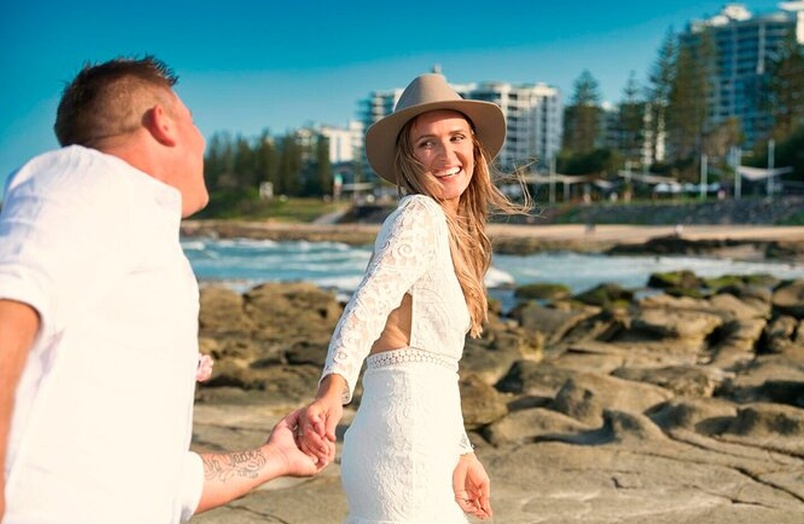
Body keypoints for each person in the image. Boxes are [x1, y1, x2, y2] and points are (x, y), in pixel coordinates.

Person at [0, 56, 327, 524]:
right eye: (194, 123)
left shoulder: (143, 251)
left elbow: (163, 482)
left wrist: (276, 457)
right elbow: (7, 305)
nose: (202, 143)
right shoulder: (92, 177)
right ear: (164, 123)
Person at [296, 73, 528, 522]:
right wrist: (331, 393)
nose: (445, 155)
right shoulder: (418, 215)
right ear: (408, 158)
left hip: (430, 437)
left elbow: (440, 368)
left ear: (475, 147)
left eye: (456, 137)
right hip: (401, 441)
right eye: (427, 143)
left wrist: (462, 451)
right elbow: (366, 305)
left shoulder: (451, 230)